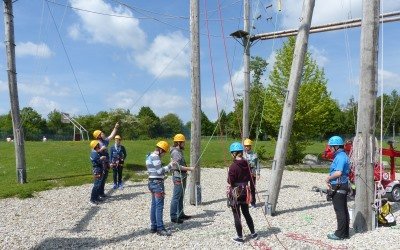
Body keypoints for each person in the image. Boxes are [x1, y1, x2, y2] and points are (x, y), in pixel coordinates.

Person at [227, 142, 258, 244]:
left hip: (236, 193)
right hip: (246, 191)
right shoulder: (247, 164)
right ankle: (253, 233)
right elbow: (250, 177)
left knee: (237, 215)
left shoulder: (233, 167)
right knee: (246, 213)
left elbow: (230, 181)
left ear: (234, 154)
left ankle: (240, 237)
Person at [146, 140, 176, 236]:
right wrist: (170, 166)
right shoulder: (156, 157)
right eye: (164, 152)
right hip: (157, 184)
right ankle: (160, 228)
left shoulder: (149, 156)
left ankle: (153, 226)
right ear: (161, 150)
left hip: (151, 182)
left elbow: (155, 171)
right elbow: (159, 171)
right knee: (159, 206)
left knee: (154, 205)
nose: (164, 154)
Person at [325, 135, 350, 240]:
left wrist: (328, 178)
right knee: (344, 210)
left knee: (339, 210)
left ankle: (339, 234)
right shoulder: (344, 155)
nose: (330, 149)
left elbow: (338, 172)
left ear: (336, 146)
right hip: (343, 184)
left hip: (338, 185)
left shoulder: (339, 157)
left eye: (331, 147)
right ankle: (345, 233)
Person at [169, 133, 195, 223]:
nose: (184, 143)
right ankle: (173, 216)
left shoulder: (179, 151)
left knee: (181, 196)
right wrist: (189, 168)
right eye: (183, 142)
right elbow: (176, 166)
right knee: (176, 197)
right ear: (179, 143)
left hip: (182, 176)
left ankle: (180, 214)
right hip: (178, 177)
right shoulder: (176, 152)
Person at [92, 122, 119, 198]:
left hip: (106, 163)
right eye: (102, 133)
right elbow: (94, 153)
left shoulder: (104, 141)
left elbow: (111, 136)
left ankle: (101, 192)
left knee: (104, 178)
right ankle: (96, 196)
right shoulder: (97, 143)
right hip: (101, 164)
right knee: (100, 179)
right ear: (99, 136)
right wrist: (101, 149)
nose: (103, 134)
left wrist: (116, 127)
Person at [243, 138, 260, 208]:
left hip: (253, 173)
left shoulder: (254, 154)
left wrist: (258, 173)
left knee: (252, 188)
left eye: (248, 146)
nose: (246, 147)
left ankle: (253, 202)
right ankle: (245, 202)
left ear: (250, 146)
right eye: (245, 146)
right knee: (245, 188)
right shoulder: (243, 155)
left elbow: (258, 164)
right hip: (245, 174)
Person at [89, 140, 106, 205]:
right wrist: (101, 158)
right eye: (98, 145)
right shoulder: (94, 153)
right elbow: (97, 161)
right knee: (96, 185)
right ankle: (92, 199)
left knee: (98, 184)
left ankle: (96, 197)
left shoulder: (95, 152)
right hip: (97, 170)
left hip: (99, 169)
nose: (99, 146)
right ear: (95, 146)